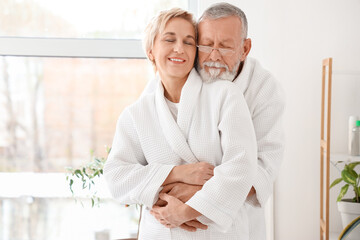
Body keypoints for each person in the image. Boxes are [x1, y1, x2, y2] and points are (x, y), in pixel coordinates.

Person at [104, 7, 258, 240]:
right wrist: (178, 174)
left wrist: (185, 211)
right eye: (169, 39)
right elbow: (117, 178)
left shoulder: (225, 96)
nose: (179, 48)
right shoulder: (136, 114)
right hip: (161, 231)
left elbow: (241, 168)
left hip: (217, 233)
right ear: (150, 50)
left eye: (189, 42)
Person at [149, 3, 285, 240]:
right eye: (207, 44)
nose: (213, 56)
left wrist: (195, 196)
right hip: (170, 218)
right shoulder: (181, 73)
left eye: (224, 47)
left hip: (234, 222)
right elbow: (145, 135)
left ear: (245, 48)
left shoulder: (265, 89)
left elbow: (262, 168)